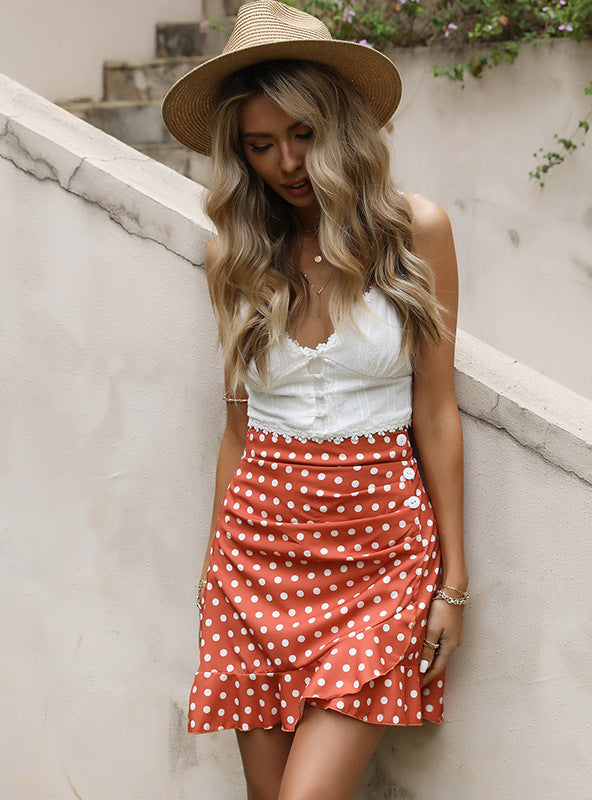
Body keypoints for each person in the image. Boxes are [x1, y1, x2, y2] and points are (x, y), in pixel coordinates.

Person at [162, 2, 468, 798]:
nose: (287, 161)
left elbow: (436, 412)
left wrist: (454, 585)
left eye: (301, 133)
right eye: (260, 145)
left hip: (381, 560)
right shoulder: (233, 255)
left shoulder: (416, 232)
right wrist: (214, 576)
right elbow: (237, 428)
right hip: (254, 555)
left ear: (338, 123)